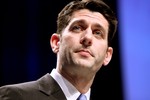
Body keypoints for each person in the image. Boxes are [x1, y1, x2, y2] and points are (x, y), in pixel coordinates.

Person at [0, 0, 117, 100]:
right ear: (56, 43)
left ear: (107, 55)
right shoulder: (16, 96)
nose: (87, 38)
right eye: (77, 28)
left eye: (97, 33)